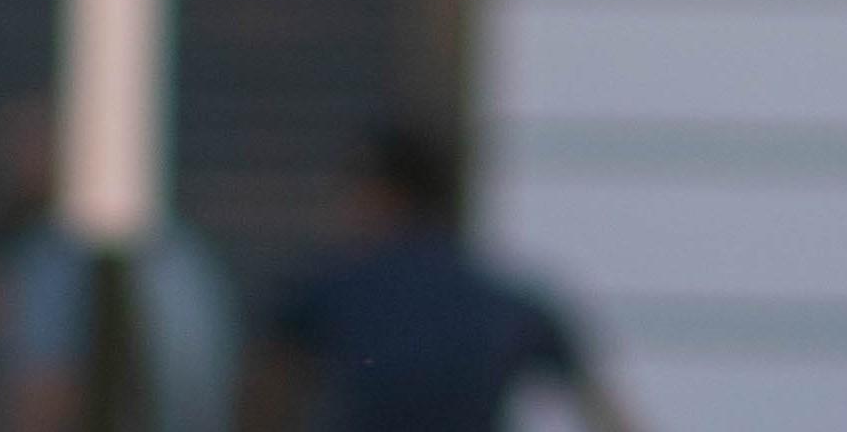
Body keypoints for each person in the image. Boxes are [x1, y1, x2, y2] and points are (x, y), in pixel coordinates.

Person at [249, 127, 630, 432]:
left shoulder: (327, 291)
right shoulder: (509, 303)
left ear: (381, 194)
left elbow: (263, 402)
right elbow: (604, 412)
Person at [0, 100, 239, 432]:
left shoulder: (57, 254)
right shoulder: (182, 253)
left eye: (24, 146)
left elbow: (42, 395)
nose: (7, 165)